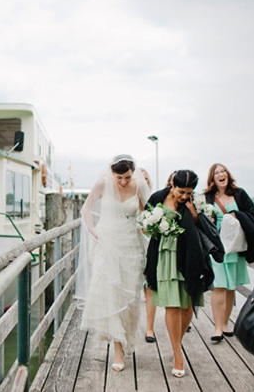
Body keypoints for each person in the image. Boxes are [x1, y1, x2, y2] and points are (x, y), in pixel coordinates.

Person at [77, 155, 150, 372]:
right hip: (108, 244)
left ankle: (127, 339)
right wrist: (92, 229)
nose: (124, 182)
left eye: (127, 177)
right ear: (112, 173)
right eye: (119, 177)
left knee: (130, 297)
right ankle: (117, 350)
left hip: (131, 245)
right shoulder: (102, 183)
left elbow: (147, 214)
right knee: (112, 294)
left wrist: (150, 226)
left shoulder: (138, 186)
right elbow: (86, 209)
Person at [144, 170, 216, 378]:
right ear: (172, 185)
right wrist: (154, 226)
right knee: (173, 307)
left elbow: (203, 226)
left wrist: (194, 214)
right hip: (164, 257)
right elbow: (145, 229)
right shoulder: (157, 198)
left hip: (188, 257)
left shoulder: (195, 202)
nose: (184, 196)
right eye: (181, 192)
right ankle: (178, 356)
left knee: (187, 308)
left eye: (188, 193)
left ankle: (177, 341)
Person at [204, 164, 254, 342]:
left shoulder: (239, 194)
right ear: (212, 178)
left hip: (234, 245)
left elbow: (251, 213)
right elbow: (200, 219)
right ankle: (217, 328)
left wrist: (237, 216)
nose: (220, 174)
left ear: (228, 174)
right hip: (216, 247)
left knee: (230, 285)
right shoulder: (208, 197)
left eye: (223, 171)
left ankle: (225, 324)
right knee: (219, 285)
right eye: (216, 173)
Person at [139, 168, 157, 343]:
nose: (143, 182)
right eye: (140, 178)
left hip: (150, 247)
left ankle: (150, 329)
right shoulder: (129, 199)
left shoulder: (154, 202)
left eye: (146, 178)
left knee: (149, 289)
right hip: (132, 248)